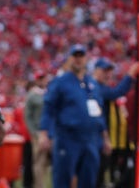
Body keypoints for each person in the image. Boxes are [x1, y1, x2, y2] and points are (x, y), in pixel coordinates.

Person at [37, 44, 108, 188]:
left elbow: (99, 113)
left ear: (86, 58)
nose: (78, 59)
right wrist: (44, 133)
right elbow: (49, 108)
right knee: (63, 180)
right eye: (75, 56)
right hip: (68, 138)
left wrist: (105, 137)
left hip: (91, 138)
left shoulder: (92, 83)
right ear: (69, 59)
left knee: (88, 180)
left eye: (81, 56)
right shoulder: (60, 82)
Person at [93, 58, 138, 188]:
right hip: (96, 137)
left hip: (106, 136)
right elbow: (115, 93)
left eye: (109, 71)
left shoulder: (101, 86)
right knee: (97, 172)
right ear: (96, 71)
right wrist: (130, 75)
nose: (108, 74)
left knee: (101, 172)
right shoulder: (95, 86)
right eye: (104, 71)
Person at [24, 70, 50, 188]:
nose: (42, 80)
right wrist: (34, 133)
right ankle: (39, 185)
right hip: (38, 132)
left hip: (50, 132)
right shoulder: (32, 95)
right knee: (39, 161)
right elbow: (27, 116)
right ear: (36, 80)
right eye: (40, 78)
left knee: (46, 162)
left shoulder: (48, 92)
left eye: (43, 78)